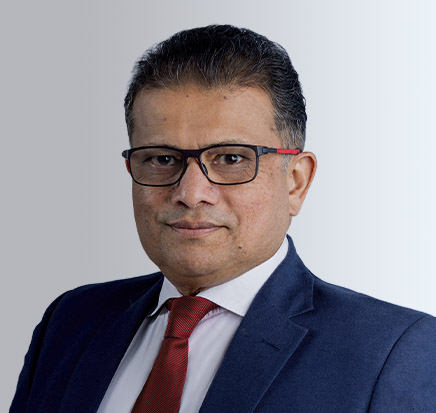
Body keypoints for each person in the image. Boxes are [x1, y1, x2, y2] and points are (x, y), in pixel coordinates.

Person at [10, 25, 436, 413]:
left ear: (296, 182)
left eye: (231, 158)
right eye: (162, 159)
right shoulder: (71, 322)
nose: (190, 192)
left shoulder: (394, 352)